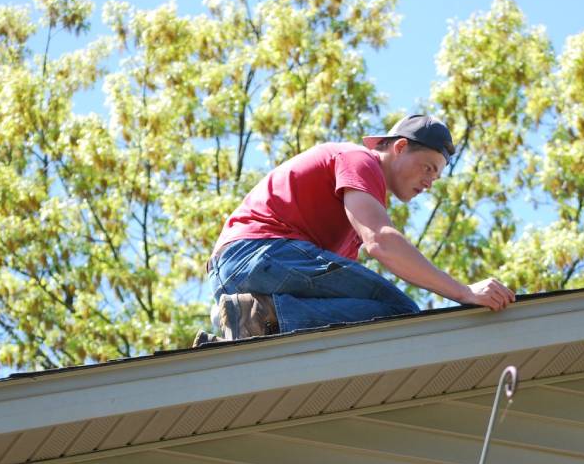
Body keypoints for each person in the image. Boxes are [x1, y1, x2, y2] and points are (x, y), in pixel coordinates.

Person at [195, 114, 516, 345]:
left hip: (239, 272)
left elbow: (346, 308)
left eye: (437, 176)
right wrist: (463, 291)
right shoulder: (359, 160)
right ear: (400, 147)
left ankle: (242, 333)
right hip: (255, 253)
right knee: (398, 310)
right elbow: (381, 241)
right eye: (428, 167)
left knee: (367, 319)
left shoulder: (350, 222)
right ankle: (263, 316)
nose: (430, 182)